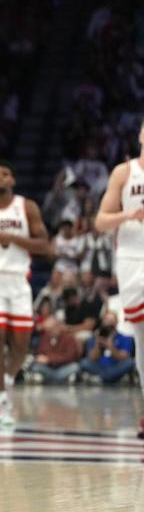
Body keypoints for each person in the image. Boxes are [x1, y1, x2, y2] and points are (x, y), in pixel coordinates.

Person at [0, 162, 50, 424]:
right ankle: (0, 401)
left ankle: (7, 378)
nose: (0, 177)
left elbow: (44, 245)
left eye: (5, 173)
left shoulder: (27, 207)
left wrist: (13, 238)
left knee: (21, 346)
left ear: (13, 180)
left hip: (19, 279)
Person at [94, 134, 144, 436]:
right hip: (132, 259)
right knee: (142, 338)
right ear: (140, 136)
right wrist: (129, 214)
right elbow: (100, 221)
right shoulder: (124, 173)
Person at [80, 311, 136, 384]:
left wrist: (110, 345)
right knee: (84, 362)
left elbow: (124, 358)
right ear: (103, 322)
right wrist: (97, 342)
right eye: (107, 320)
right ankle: (112, 379)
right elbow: (92, 358)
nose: (109, 323)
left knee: (130, 362)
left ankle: (102, 378)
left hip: (116, 367)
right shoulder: (96, 337)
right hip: (99, 367)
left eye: (112, 321)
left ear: (117, 322)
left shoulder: (125, 338)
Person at [30, 316, 82, 384]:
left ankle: (52, 379)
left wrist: (49, 359)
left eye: (50, 330)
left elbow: (70, 357)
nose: (48, 333)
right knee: (35, 367)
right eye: (46, 330)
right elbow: (41, 352)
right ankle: (59, 379)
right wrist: (39, 358)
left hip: (64, 367)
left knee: (75, 367)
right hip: (49, 368)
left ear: (57, 327)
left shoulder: (69, 338)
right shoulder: (45, 337)